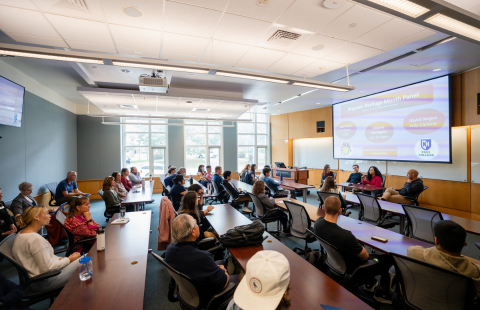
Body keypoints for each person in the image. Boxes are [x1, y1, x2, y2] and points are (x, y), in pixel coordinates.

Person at [314, 196, 393, 303]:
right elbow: (365, 256)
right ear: (340, 210)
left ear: (323, 207)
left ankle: (370, 283)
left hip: (334, 263)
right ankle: (382, 294)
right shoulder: (345, 236)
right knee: (387, 259)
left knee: (359, 245)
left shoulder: (317, 224)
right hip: (352, 268)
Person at [164, 214, 238, 307]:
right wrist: (223, 271)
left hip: (189, 290)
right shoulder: (201, 257)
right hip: (205, 297)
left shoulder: (170, 249)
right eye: (196, 224)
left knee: (221, 262)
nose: (198, 226)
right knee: (241, 278)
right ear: (192, 232)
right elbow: (223, 283)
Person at [12, 205, 81, 294]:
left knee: (80, 260)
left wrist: (59, 259)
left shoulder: (21, 234)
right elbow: (48, 269)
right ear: (36, 217)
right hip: (45, 281)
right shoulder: (35, 239)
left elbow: (41, 259)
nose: (49, 216)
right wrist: (69, 259)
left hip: (35, 280)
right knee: (87, 258)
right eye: (47, 213)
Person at [407, 220, 480, 296]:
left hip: (416, 300)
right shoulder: (475, 272)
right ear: (464, 244)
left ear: (436, 241)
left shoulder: (414, 253)